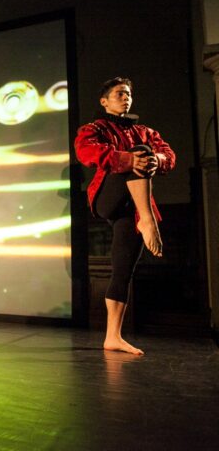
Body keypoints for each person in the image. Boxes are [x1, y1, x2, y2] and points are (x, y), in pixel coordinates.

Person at [75, 77, 175, 355]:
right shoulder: (95, 128)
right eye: (119, 94)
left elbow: (169, 153)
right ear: (104, 101)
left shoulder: (145, 130)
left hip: (131, 208)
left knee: (123, 269)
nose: (125, 97)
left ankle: (113, 336)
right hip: (110, 198)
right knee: (139, 153)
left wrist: (160, 160)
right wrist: (130, 159)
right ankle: (148, 219)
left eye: (128, 94)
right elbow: (85, 151)